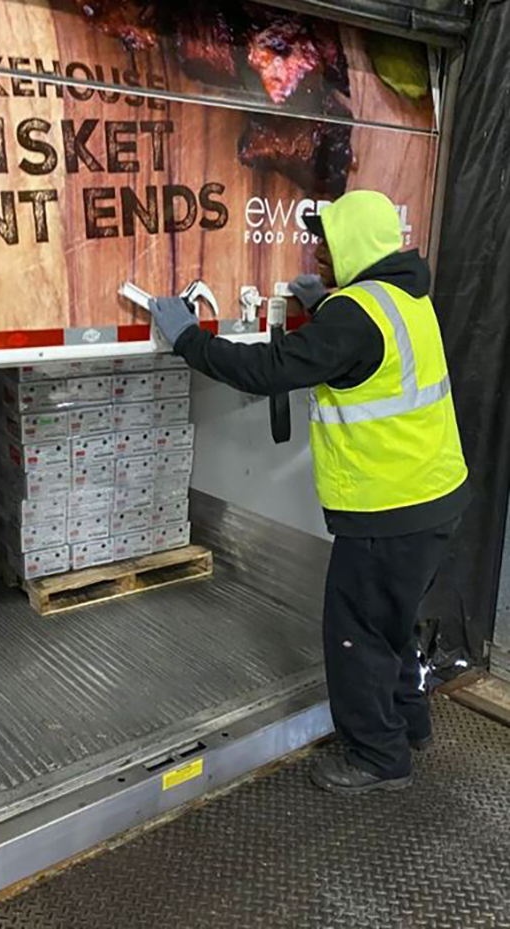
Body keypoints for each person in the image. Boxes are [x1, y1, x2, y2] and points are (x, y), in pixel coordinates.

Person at [148, 189, 469, 795]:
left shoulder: (353, 316)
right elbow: (369, 354)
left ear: (356, 244)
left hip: (387, 510)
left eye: (327, 241)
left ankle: (378, 758)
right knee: (393, 623)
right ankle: (410, 726)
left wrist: (188, 339)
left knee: (356, 633)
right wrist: (325, 306)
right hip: (434, 498)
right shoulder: (405, 295)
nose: (317, 251)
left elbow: (269, 369)